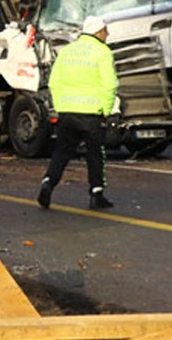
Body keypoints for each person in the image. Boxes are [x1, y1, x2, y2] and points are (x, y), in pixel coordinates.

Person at [38, 16, 119, 210]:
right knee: (95, 154)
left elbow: (54, 82)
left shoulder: (67, 51)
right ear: (98, 32)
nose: (107, 34)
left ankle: (48, 182)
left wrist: (60, 106)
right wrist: (106, 110)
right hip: (91, 113)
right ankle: (96, 194)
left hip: (67, 112)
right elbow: (110, 85)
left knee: (62, 151)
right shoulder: (102, 52)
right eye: (105, 31)